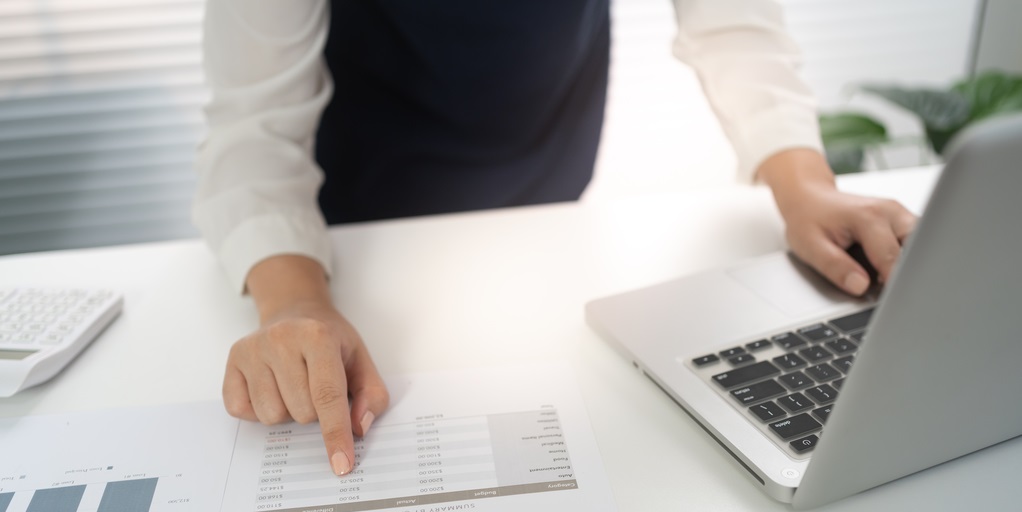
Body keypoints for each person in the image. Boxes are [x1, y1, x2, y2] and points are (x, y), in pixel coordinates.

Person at [193, 0, 916, 477]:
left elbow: (731, 23)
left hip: (548, 209)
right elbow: (253, 124)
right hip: (369, 225)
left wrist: (803, 184)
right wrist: (293, 304)